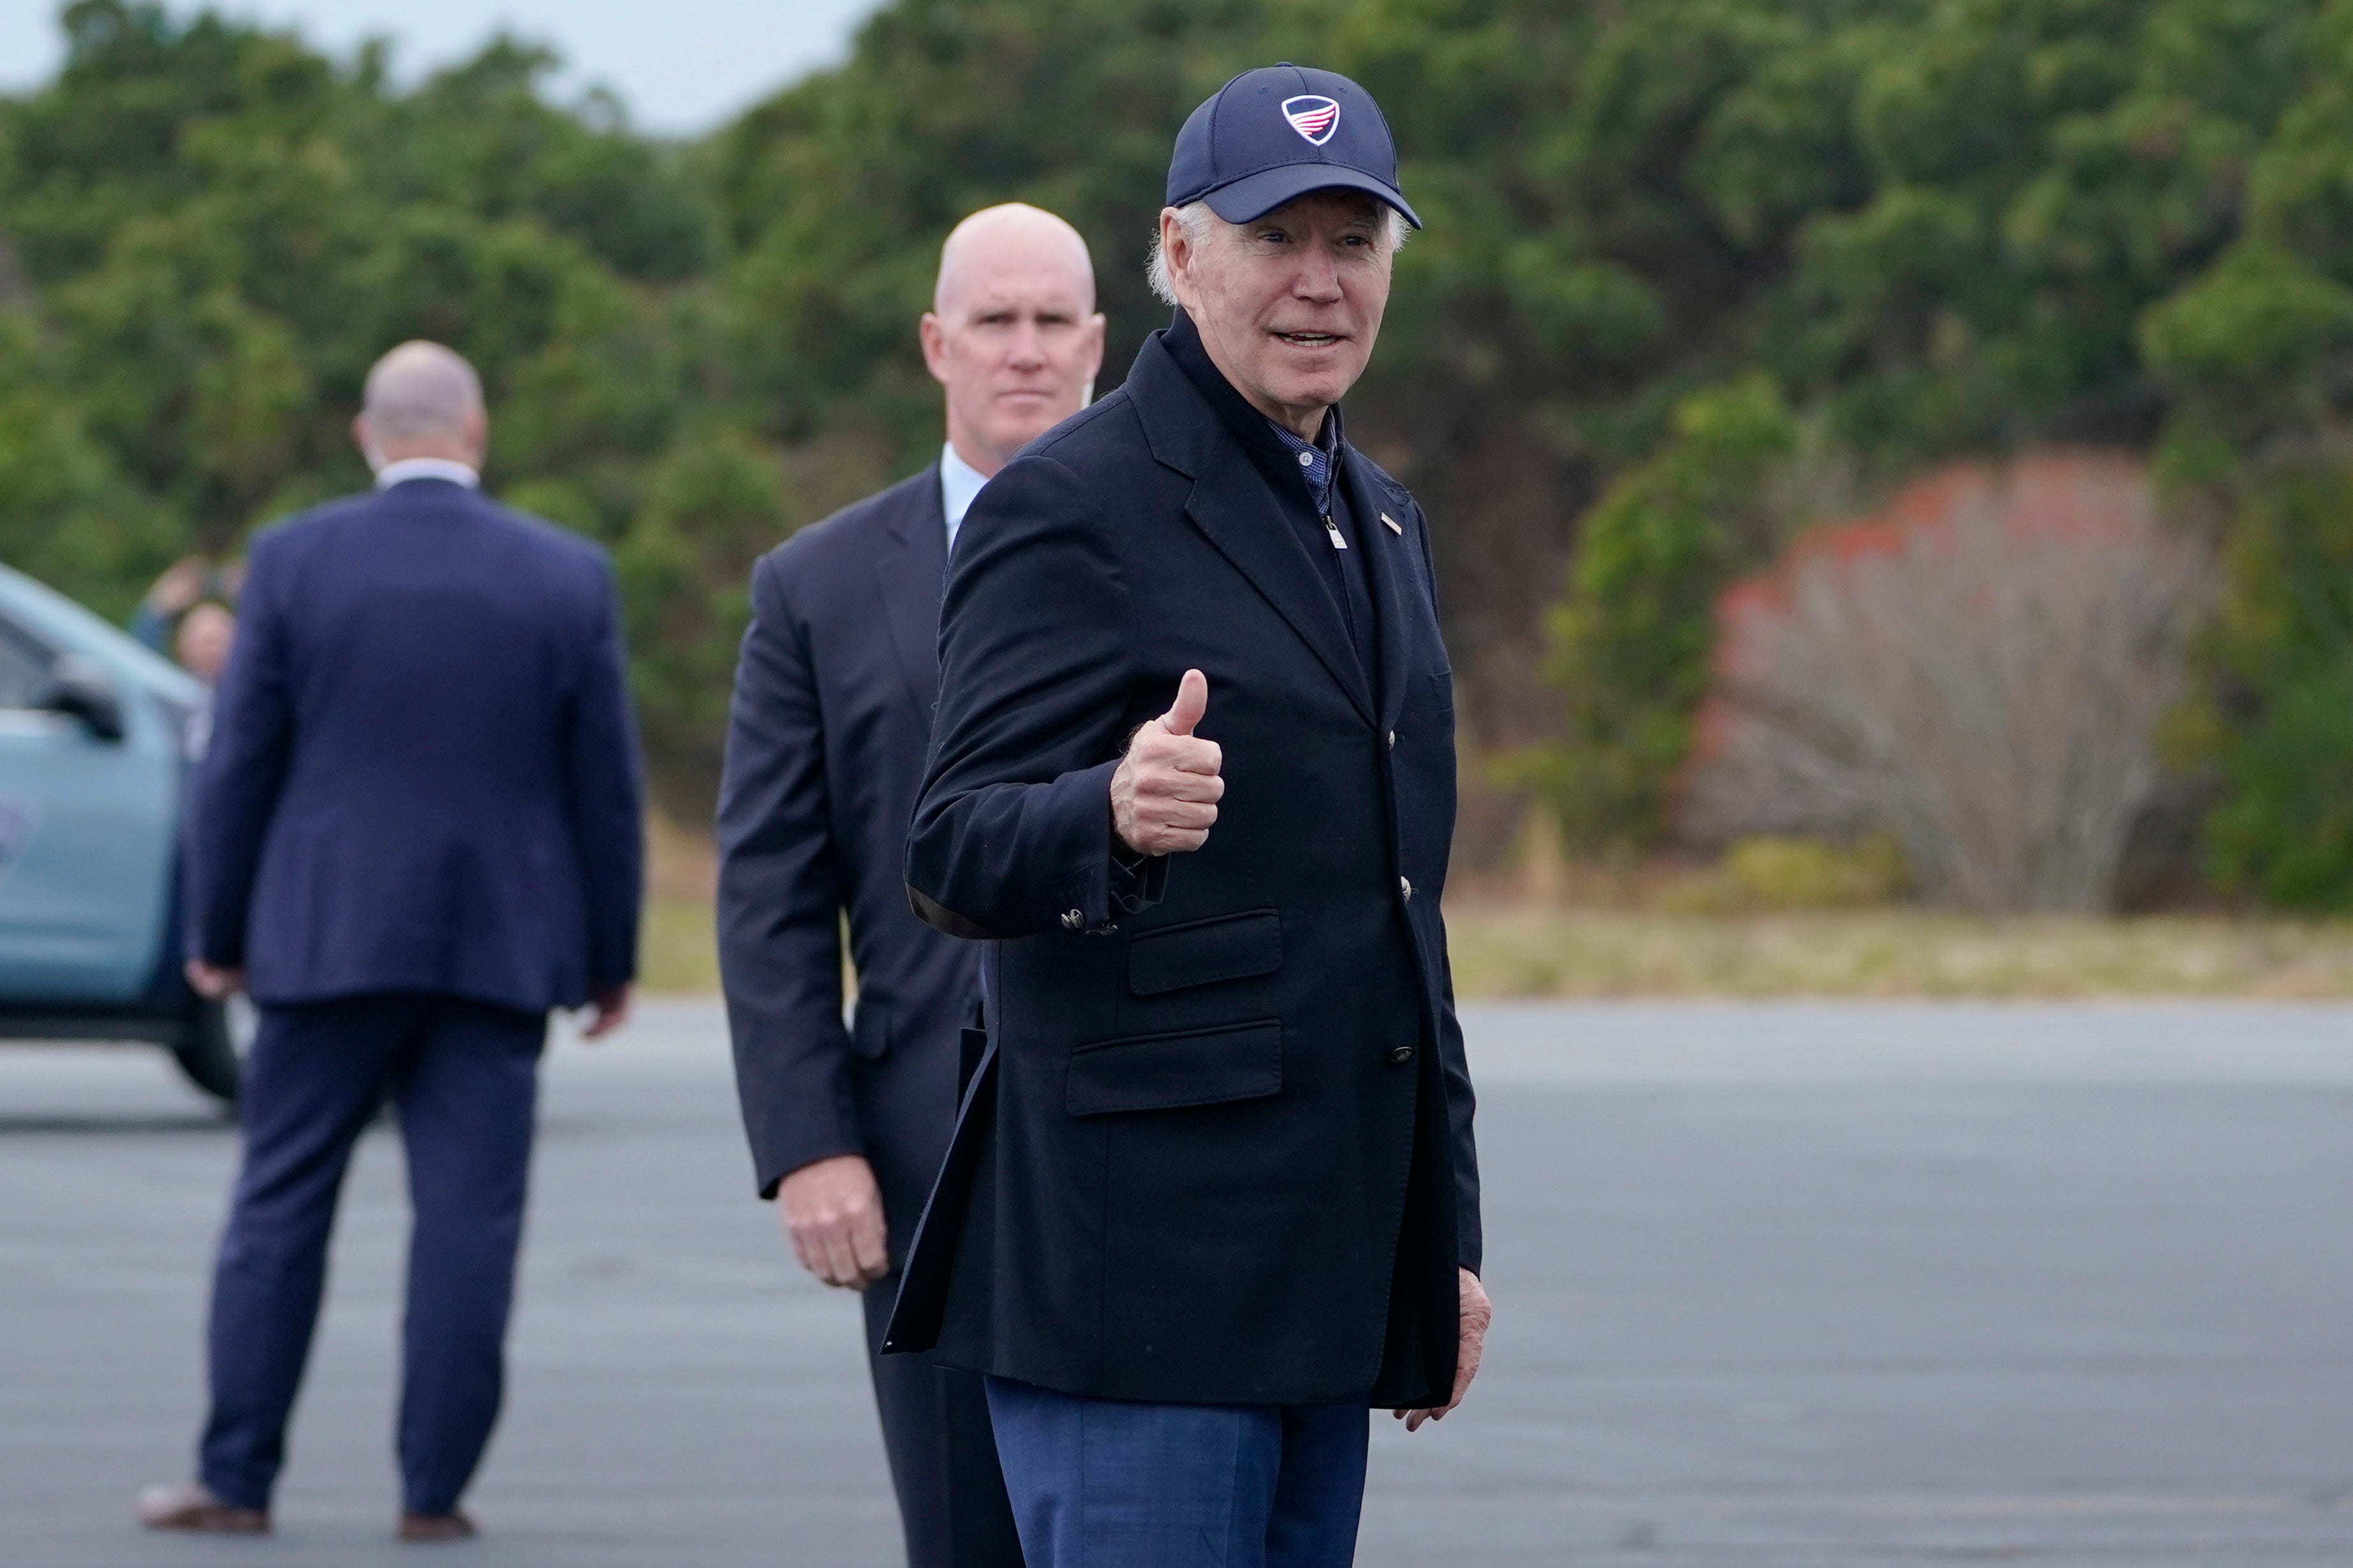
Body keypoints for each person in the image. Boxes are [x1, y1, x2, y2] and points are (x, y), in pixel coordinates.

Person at [885, 65, 1491, 1567]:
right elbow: (951, 844)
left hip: (1323, 1274)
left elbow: (1401, 920)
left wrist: (1444, 1242)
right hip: (1135, 1287)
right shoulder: (1070, 502)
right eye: (1275, 235)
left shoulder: (1386, 520)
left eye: (1354, 243)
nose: (1317, 283)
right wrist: (1110, 810)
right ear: (1180, 247)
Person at [136, 341, 644, 1542]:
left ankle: (237, 1477)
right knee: (467, 1225)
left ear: (371, 437)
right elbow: (605, 791)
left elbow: (239, 763)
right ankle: (433, 1496)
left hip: (323, 941)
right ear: (475, 433)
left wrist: (216, 931)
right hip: (499, 952)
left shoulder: (295, 559)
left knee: (279, 1206)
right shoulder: (566, 575)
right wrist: (608, 959)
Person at [717, 202, 1105, 1567]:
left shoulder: (1187, 550)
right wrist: (808, 1143)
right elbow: (769, 889)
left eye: (1054, 320)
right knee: (963, 1535)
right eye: (995, 321)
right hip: (917, 1141)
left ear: (1101, 343)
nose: (1026, 351)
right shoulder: (813, 587)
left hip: (1156, 1133)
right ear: (937, 344)